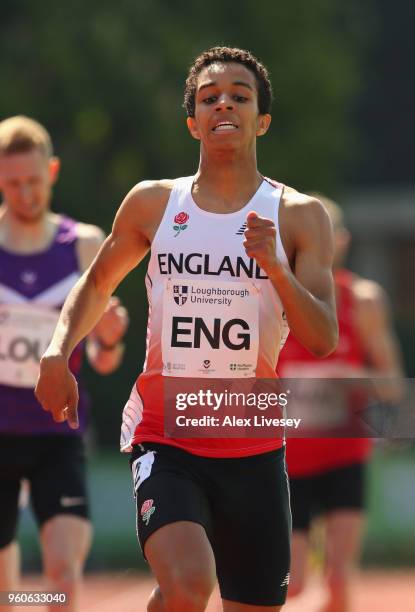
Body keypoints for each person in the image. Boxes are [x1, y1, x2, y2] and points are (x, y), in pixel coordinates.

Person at [35, 47, 338, 612]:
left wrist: (274, 267)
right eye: (209, 97)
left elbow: (322, 336)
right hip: (167, 435)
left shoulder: (299, 216)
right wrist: (57, 351)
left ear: (261, 120)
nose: (224, 103)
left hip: (254, 446)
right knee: (189, 585)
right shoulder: (153, 204)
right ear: (193, 122)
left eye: (240, 96)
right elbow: (97, 284)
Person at [0, 116, 128, 612]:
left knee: (63, 575)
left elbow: (103, 359)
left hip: (58, 433)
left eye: (34, 180)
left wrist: (111, 341)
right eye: (12, 183)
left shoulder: (84, 246)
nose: (25, 193)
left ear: (52, 171)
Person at [278, 194, 404, 612]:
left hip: (344, 455)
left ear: (343, 241)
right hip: (288, 460)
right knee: (290, 584)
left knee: (338, 574)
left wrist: (351, 379)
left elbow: (393, 385)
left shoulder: (364, 301)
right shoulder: (273, 301)